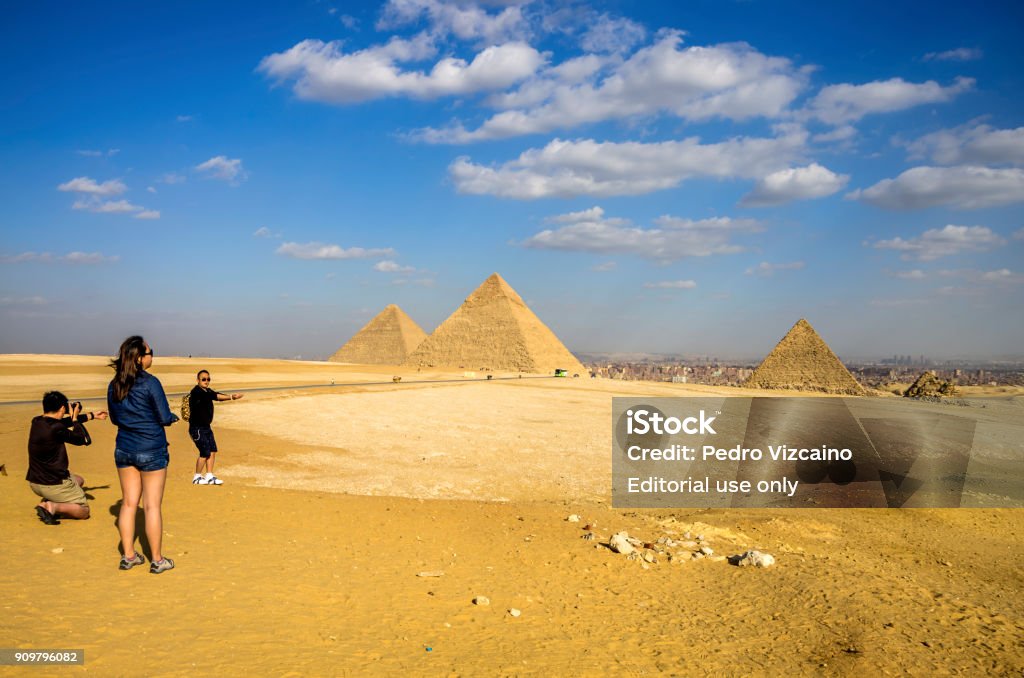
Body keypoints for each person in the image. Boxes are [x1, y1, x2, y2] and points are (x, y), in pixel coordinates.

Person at [107, 336, 178, 574]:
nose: (152, 356)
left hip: (124, 449)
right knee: (151, 506)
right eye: (150, 352)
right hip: (151, 449)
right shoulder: (150, 383)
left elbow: (115, 418)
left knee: (128, 503)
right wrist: (172, 418)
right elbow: (164, 416)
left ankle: (128, 556)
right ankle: (157, 560)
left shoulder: (114, 384)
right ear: (139, 358)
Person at [26, 391, 108, 525]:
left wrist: (92, 416)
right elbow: (85, 440)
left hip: (35, 482)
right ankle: (52, 506)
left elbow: (62, 422)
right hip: (53, 483)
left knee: (79, 480)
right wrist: (74, 418)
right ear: (63, 408)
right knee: (84, 510)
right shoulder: (56, 428)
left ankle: (48, 501)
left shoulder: (37, 421)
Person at [188, 369, 243, 485]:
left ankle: (209, 475)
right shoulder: (196, 392)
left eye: (208, 379)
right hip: (197, 428)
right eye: (203, 379)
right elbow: (215, 396)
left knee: (212, 450)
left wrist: (232, 397)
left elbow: (216, 395)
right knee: (204, 452)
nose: (206, 381)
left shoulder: (207, 391)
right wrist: (226, 397)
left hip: (206, 427)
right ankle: (197, 476)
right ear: (198, 380)